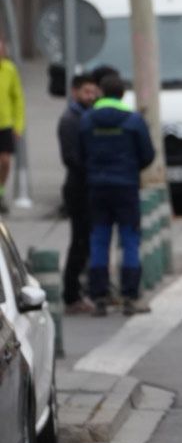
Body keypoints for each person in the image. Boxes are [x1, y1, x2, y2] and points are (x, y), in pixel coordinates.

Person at [79, 67, 156, 315]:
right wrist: (131, 169)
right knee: (130, 240)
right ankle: (130, 297)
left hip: (97, 188)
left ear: (101, 93)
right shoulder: (133, 120)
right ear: (122, 94)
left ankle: (99, 296)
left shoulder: (88, 120)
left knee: (99, 240)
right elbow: (148, 154)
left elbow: (80, 153)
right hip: (126, 187)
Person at [57, 71, 100, 312]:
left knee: (86, 242)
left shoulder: (85, 115)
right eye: (86, 91)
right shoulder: (70, 120)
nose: (91, 96)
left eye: (94, 91)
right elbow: (71, 158)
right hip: (78, 189)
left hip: (87, 187)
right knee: (80, 242)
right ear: (75, 92)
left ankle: (82, 289)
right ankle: (71, 294)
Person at [0, 35, 24, 214]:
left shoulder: (9, 69)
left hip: (5, 123)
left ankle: (0, 192)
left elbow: (18, 99)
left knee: (5, 161)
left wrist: (18, 124)